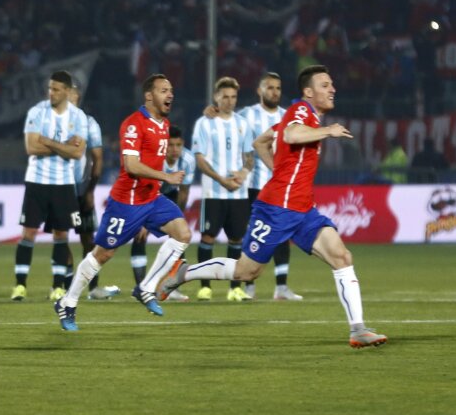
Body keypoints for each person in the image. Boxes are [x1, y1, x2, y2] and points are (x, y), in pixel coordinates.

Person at [158, 65, 389, 348]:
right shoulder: (301, 111)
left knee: (342, 257)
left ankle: (358, 330)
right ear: (308, 92)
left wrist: (280, 169)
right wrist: (328, 131)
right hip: (276, 209)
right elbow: (290, 135)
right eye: (325, 85)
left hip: (303, 210)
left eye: (332, 84)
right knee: (246, 272)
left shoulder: (307, 119)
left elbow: (261, 142)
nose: (333, 89)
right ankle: (184, 273)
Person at [52, 74, 191, 331]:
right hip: (127, 203)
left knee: (183, 234)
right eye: (163, 90)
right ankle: (67, 302)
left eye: (171, 90)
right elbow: (131, 165)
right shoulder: (133, 125)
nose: (170, 94)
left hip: (152, 199)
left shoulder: (164, 124)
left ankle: (146, 287)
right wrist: (166, 177)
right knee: (102, 254)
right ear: (148, 96)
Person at [12, 70, 87, 302]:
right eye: (49, 88)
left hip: (63, 183)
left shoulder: (78, 117)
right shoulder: (37, 112)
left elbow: (77, 153)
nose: (51, 93)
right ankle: (20, 285)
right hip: (37, 180)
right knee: (28, 232)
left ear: (67, 91)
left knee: (61, 234)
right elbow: (31, 148)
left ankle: (57, 286)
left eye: (56, 89)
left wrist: (47, 141)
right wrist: (63, 145)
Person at [237, 71, 303, 300]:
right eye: (270, 87)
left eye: (278, 88)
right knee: (253, 234)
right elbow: (226, 122)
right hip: (253, 187)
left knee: (282, 235)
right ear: (260, 90)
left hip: (281, 187)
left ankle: (281, 287)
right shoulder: (246, 115)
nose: (275, 92)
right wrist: (212, 111)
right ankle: (248, 286)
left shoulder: (287, 117)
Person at [191, 77, 254, 301]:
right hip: (213, 193)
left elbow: (249, 157)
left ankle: (235, 288)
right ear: (216, 97)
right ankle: (205, 287)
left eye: (233, 97)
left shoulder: (243, 124)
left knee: (237, 240)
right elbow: (199, 159)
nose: (229, 101)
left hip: (238, 193)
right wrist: (221, 180)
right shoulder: (204, 123)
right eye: (225, 96)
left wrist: (243, 173)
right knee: (208, 238)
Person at [66, 84, 118, 301]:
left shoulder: (88, 123)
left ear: (78, 96)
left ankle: (93, 287)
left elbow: (97, 160)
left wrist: (90, 191)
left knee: (88, 239)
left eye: (71, 93)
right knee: (60, 237)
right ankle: (61, 286)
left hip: (81, 189)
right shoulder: (50, 122)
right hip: (59, 189)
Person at [156, 125, 194, 301]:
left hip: (171, 193)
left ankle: (173, 288)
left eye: (178, 145)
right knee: (139, 236)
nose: (174, 149)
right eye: (170, 145)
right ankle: (142, 286)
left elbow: (184, 192)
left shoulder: (188, 159)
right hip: (149, 194)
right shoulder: (156, 157)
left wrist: (177, 217)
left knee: (180, 237)